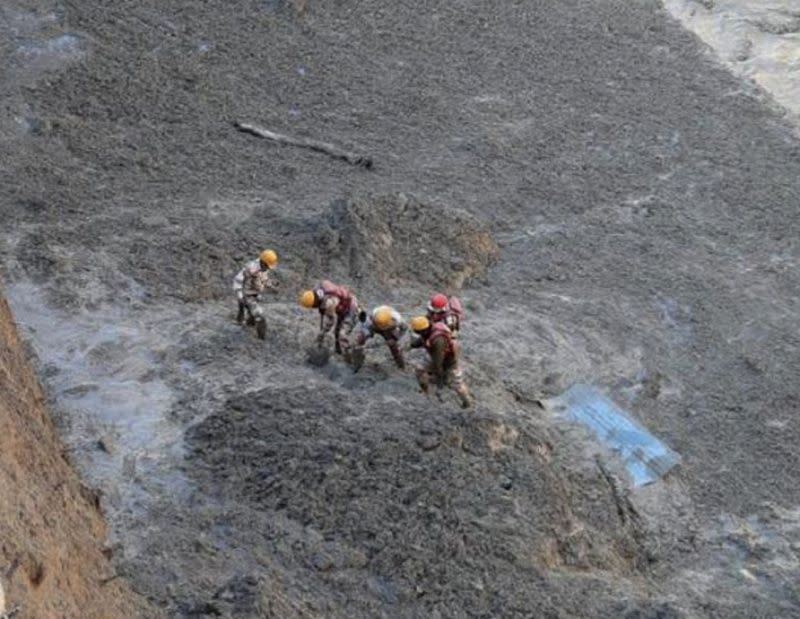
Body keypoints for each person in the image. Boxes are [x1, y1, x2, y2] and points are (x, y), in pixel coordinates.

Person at [409, 315, 472, 408]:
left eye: (416, 331)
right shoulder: (430, 329)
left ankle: (467, 402)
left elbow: (438, 361)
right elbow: (422, 340)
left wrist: (439, 377)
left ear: (422, 331)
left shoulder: (437, 340)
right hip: (442, 354)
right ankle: (425, 391)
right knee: (420, 370)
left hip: (449, 359)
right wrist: (413, 344)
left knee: (457, 383)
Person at [299, 280, 359, 355]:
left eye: (313, 306)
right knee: (336, 332)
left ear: (315, 303)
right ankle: (339, 352)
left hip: (351, 308)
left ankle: (350, 354)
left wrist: (322, 333)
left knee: (341, 334)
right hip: (341, 307)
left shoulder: (329, 303)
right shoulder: (319, 289)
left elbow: (331, 321)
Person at [232, 249, 279, 340]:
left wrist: (271, 285)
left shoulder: (263, 268)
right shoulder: (250, 268)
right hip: (247, 294)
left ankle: (246, 321)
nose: (268, 268)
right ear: (263, 262)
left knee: (251, 313)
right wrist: (240, 295)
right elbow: (238, 280)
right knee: (259, 315)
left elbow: (263, 280)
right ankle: (261, 338)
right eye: (267, 266)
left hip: (254, 294)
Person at [351, 305, 407, 372]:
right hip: (374, 326)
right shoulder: (371, 318)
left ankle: (401, 366)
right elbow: (365, 328)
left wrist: (395, 339)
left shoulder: (397, 319)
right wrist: (365, 337)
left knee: (394, 347)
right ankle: (357, 362)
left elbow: (404, 329)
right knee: (359, 341)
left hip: (388, 330)